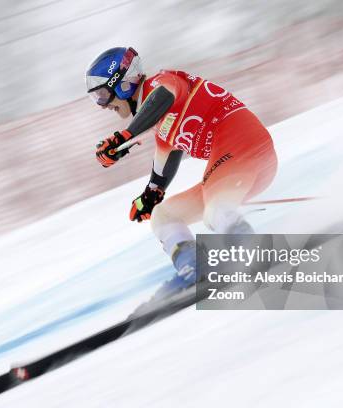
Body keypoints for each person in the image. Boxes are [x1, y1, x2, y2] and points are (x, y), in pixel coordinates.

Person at [86, 47, 278, 297]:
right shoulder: (161, 122)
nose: (102, 105)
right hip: (241, 168)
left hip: (246, 149)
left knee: (215, 210)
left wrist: (126, 135)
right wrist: (151, 195)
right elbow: (166, 156)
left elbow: (163, 96)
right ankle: (193, 270)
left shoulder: (162, 82)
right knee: (164, 216)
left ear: (122, 84)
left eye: (102, 95)